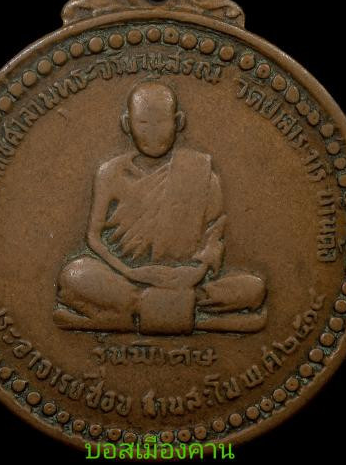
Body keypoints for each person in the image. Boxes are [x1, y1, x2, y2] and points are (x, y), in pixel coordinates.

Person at [53, 81, 267, 334]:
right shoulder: (110, 172)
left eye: (162, 123)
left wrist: (194, 273)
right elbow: (93, 237)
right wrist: (131, 272)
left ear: (178, 122)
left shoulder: (201, 172)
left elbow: (214, 236)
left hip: (187, 280)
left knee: (253, 288)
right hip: (126, 277)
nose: (152, 133)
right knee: (73, 275)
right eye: (143, 124)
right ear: (127, 124)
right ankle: (193, 317)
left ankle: (129, 314)